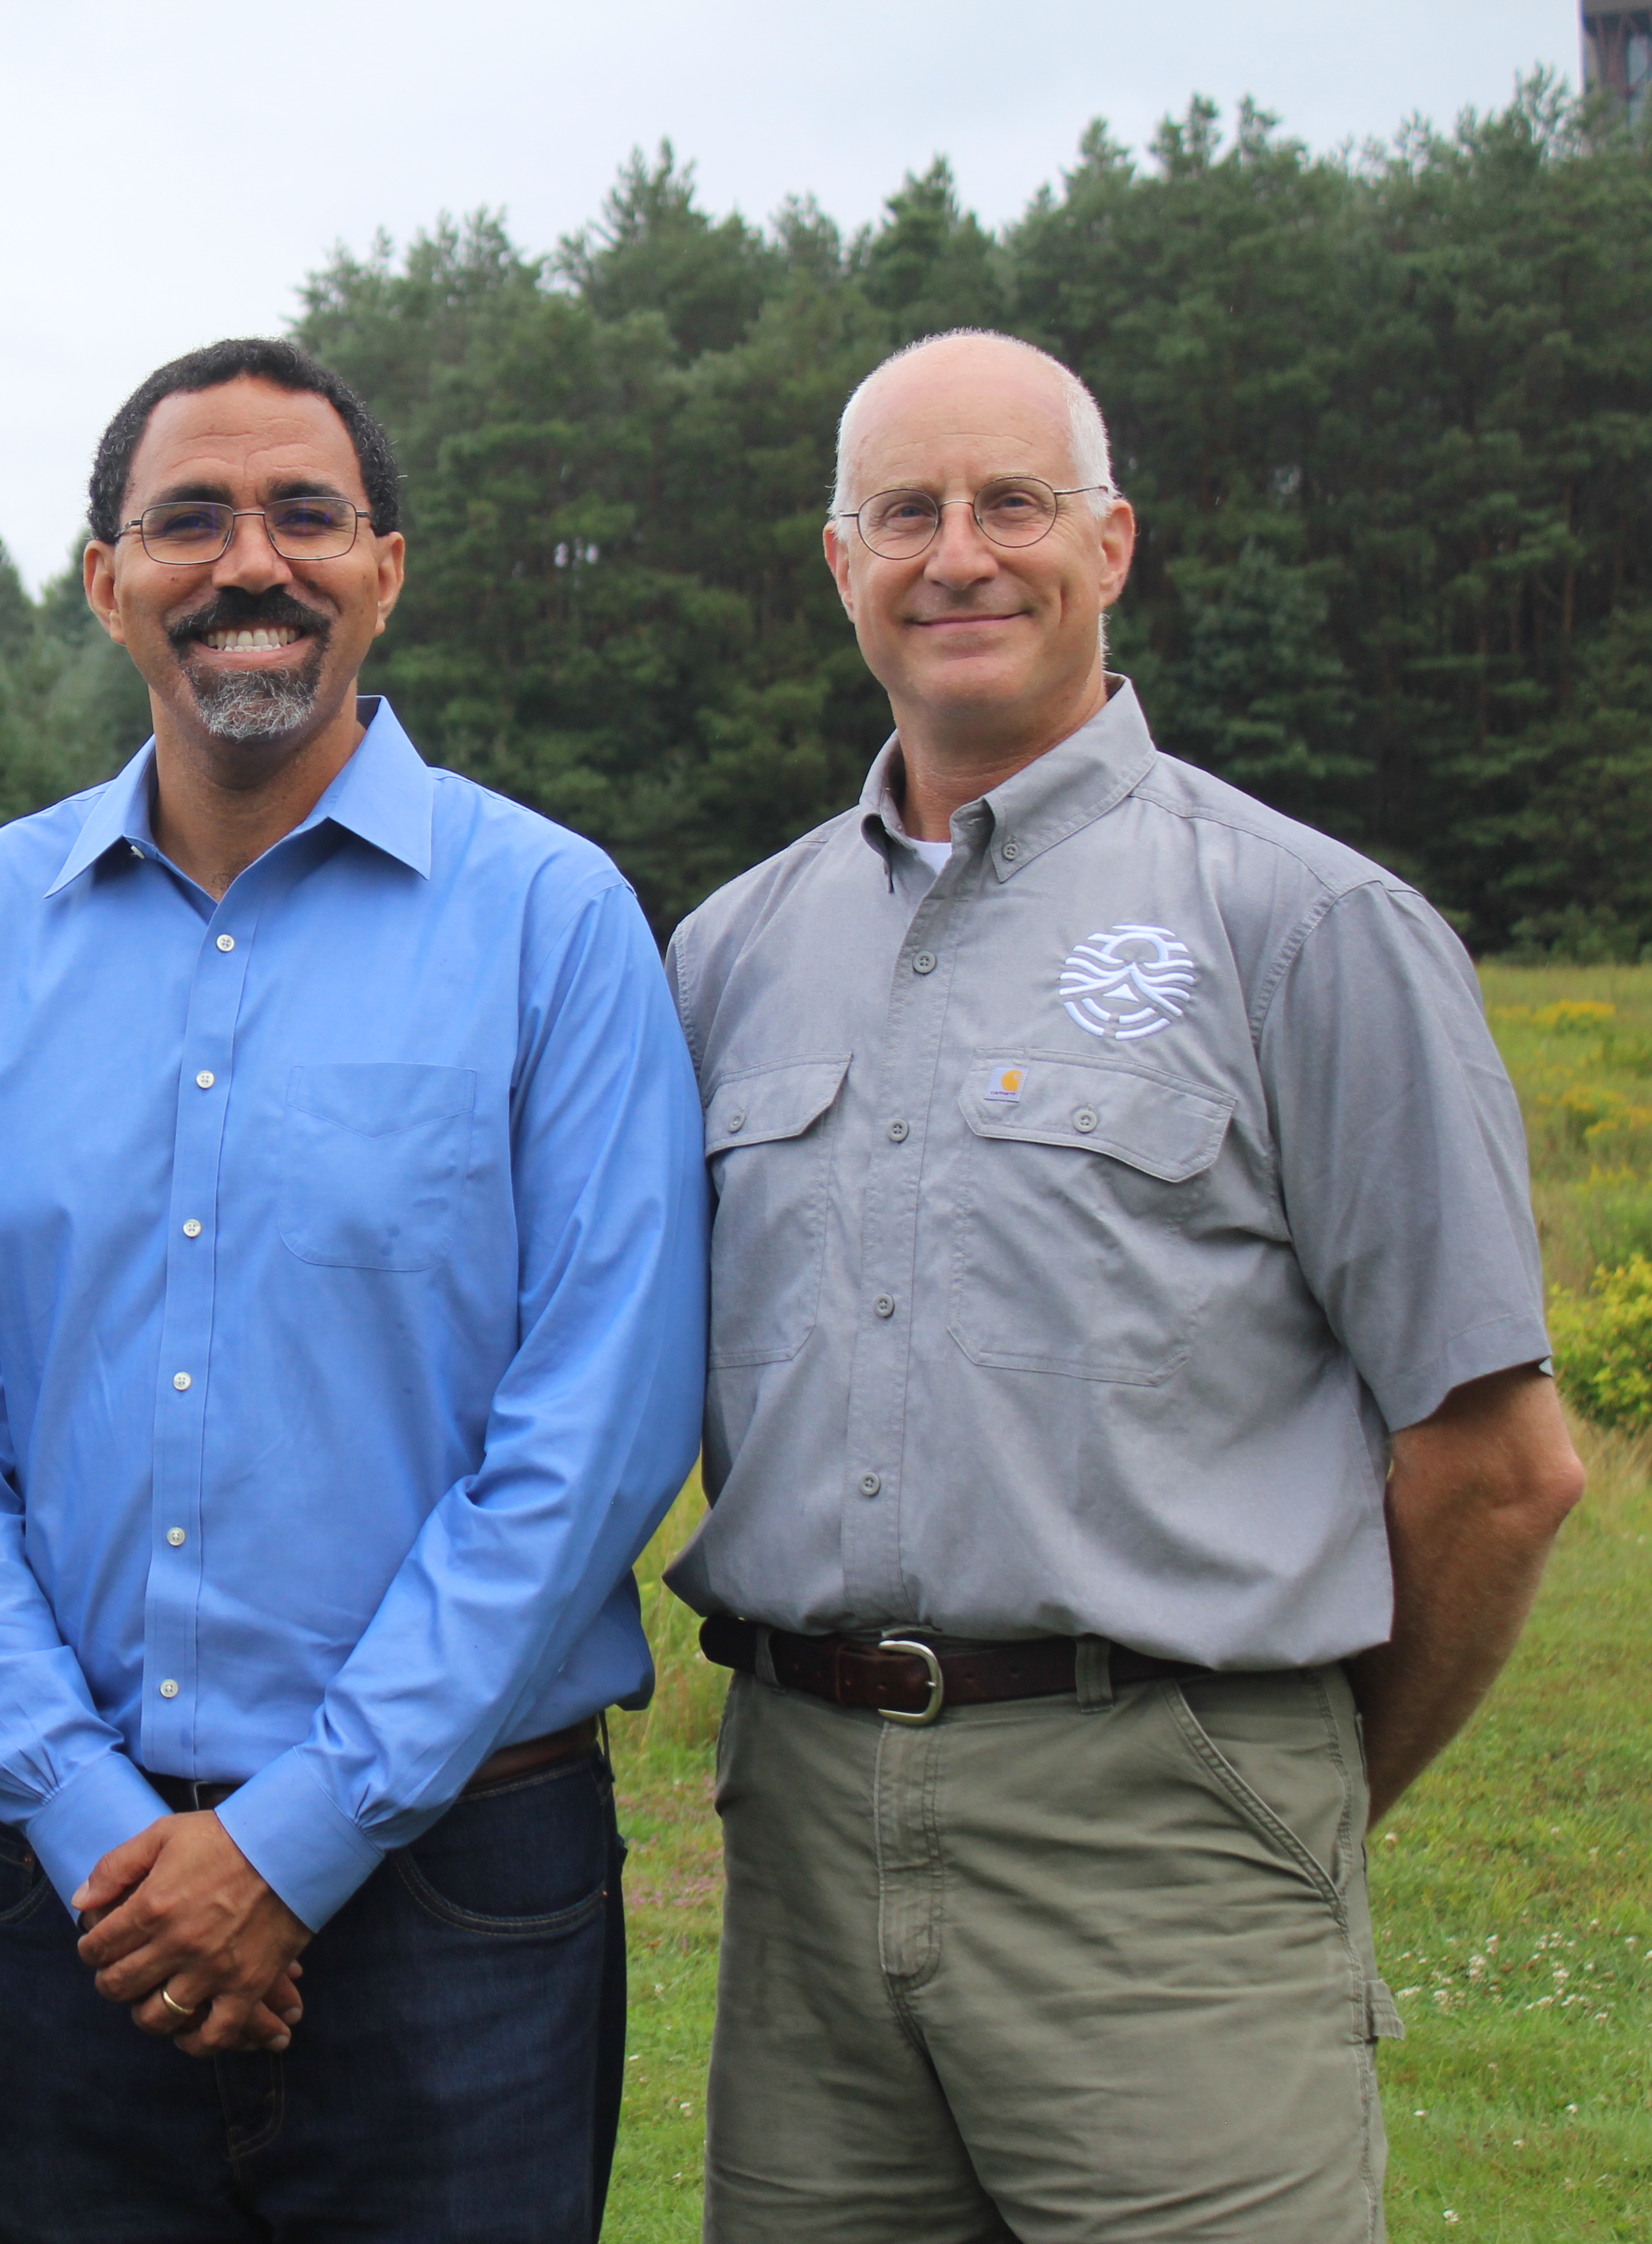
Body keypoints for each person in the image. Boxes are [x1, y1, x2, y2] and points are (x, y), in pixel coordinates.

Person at [669, 329, 1588, 2241]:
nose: (960, 554)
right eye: (904, 512)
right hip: (804, 1849)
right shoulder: (732, 951)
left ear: (1113, 543)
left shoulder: (1307, 927)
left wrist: (1283, 1795)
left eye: (1013, 502)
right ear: (839, 565)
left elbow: (1499, 1462)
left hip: (1167, 1847)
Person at [0, 336, 710, 2241]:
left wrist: (299, 1837)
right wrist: (84, 1813)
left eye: (304, 514)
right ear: (104, 582)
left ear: (386, 567)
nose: (252, 560)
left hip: (460, 1889)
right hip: (89, 1883)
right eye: (190, 520)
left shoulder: (554, 921)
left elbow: (599, 1427)